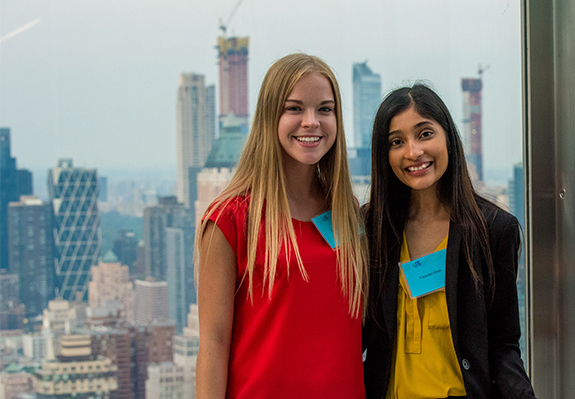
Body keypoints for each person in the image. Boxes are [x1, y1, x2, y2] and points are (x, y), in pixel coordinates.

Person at [195, 53, 368, 399]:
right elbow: (213, 344)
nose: (311, 122)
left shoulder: (349, 215)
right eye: (294, 108)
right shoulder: (231, 219)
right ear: (269, 117)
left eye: (324, 109)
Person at [363, 84, 536, 399]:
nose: (413, 152)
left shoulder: (493, 230)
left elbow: (503, 347)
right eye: (397, 142)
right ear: (383, 154)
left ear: (448, 138)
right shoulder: (371, 229)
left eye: (425, 134)